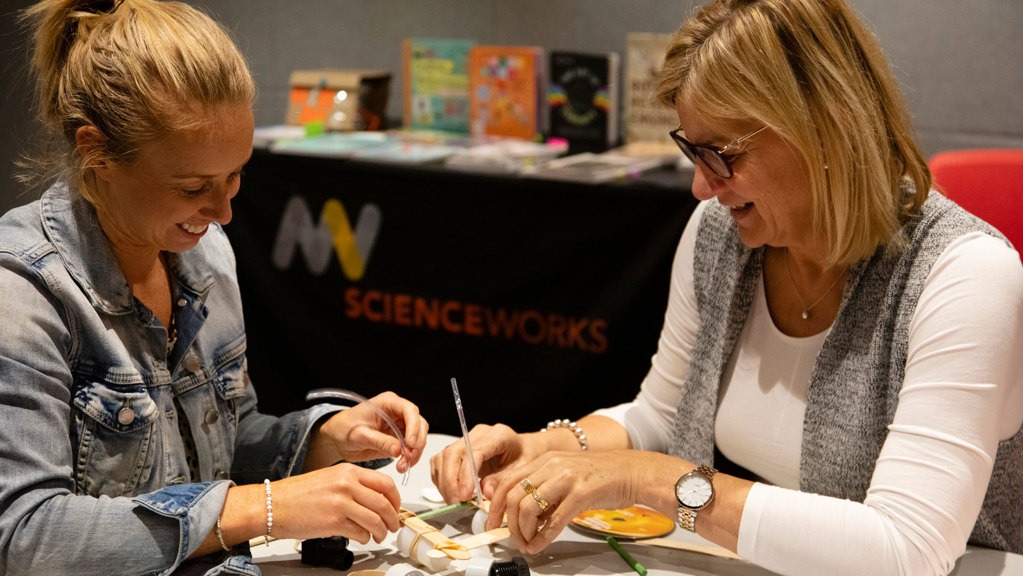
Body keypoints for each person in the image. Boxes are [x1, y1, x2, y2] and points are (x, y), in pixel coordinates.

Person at [431, 1, 1023, 575]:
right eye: (692, 151)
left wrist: (649, 478)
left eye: (720, 154)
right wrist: (546, 449)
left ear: (825, 127)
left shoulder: (965, 275)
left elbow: (907, 552)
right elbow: (663, 415)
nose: (700, 186)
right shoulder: (721, 233)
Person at [0, 1, 429, 574]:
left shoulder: (204, 253)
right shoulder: (22, 293)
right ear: (95, 152)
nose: (223, 212)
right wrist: (262, 508)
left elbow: (216, 444)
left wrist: (324, 439)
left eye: (235, 175)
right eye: (192, 187)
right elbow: (25, 537)